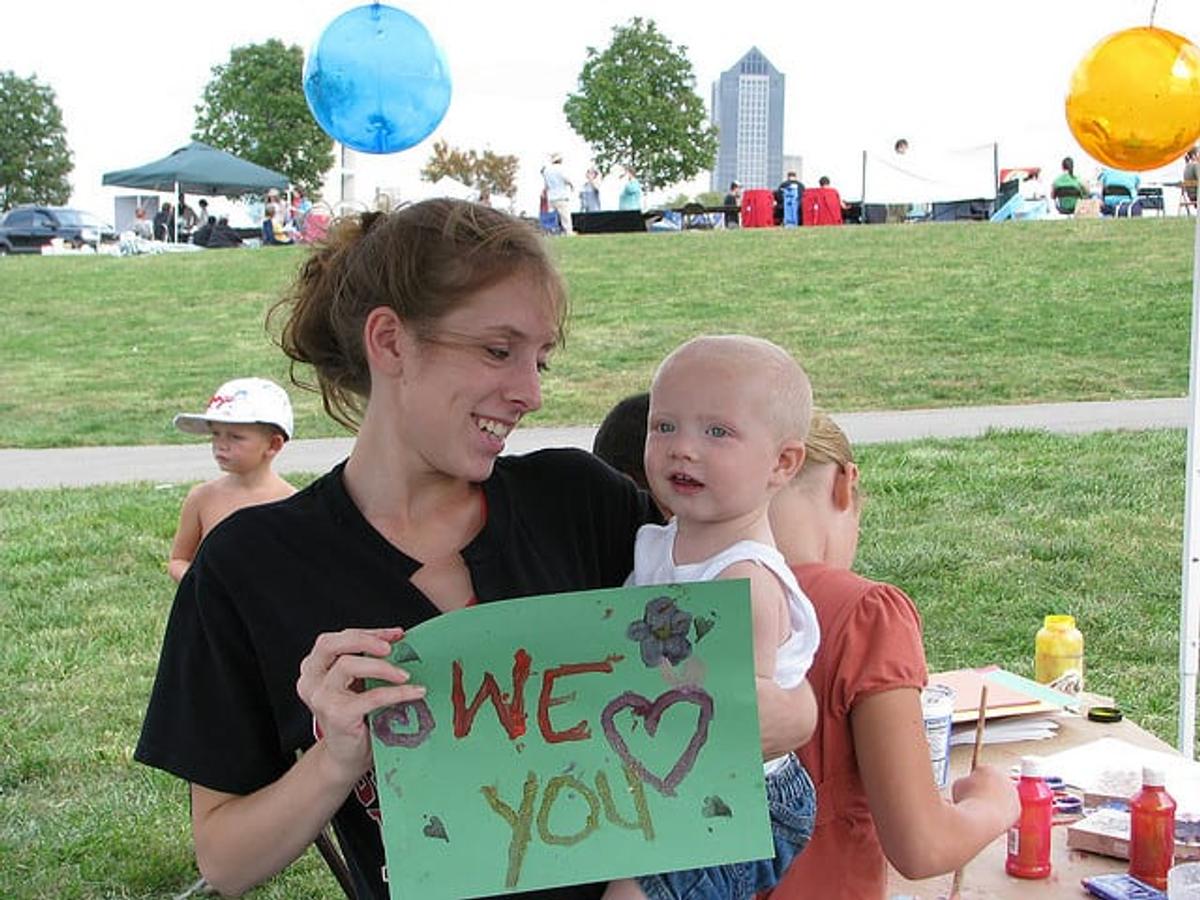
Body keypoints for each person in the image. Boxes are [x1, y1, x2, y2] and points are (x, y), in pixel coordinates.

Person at [135, 200, 819, 899]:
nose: (528, 392)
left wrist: (796, 714)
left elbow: (754, 641)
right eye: (499, 350)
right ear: (392, 342)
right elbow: (225, 859)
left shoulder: (581, 503)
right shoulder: (252, 567)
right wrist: (338, 757)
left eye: (540, 361)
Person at [766, 411, 1018, 899]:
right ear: (846, 483)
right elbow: (921, 846)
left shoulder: (680, 600)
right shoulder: (866, 613)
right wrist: (995, 802)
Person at [605, 335, 819, 900]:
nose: (683, 449)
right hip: (681, 774)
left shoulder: (741, 581)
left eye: (717, 432)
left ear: (782, 462)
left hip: (742, 798)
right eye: (664, 426)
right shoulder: (660, 543)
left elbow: (720, 724)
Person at [167, 378, 296, 583]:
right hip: (211, 613)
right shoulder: (202, 497)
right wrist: (201, 584)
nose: (221, 445)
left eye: (236, 437)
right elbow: (178, 560)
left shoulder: (293, 504)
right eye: (216, 434)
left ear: (273, 444)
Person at [541, 152, 575, 235]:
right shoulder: (561, 169)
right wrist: (572, 185)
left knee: (552, 217)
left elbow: (546, 185)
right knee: (565, 217)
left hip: (551, 197)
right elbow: (566, 179)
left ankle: (551, 232)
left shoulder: (546, 171)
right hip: (561, 196)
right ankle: (568, 232)